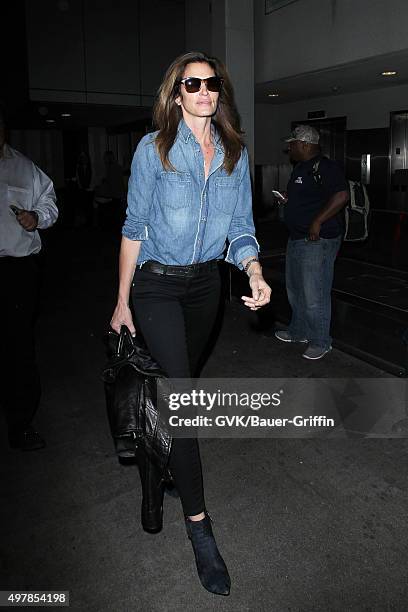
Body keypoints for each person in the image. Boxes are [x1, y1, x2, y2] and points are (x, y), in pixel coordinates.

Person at [110, 51, 271, 596]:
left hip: (207, 288)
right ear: (176, 94)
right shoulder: (153, 151)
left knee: (178, 390)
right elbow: (133, 225)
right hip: (156, 284)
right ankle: (200, 527)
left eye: (211, 83)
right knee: (184, 399)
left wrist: (253, 270)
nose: (203, 90)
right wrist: (122, 300)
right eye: (191, 83)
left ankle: (157, 473)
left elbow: (243, 228)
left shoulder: (233, 153)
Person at [0, 106, 58, 450]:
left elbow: (51, 204)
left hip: (15, 271)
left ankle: (20, 423)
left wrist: (36, 217)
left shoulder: (24, 168)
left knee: (18, 346)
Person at [275, 125, 349, 360]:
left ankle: (320, 341)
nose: (289, 148)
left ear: (305, 145)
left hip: (317, 240)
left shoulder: (326, 167)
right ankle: (299, 332)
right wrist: (287, 201)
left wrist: (317, 221)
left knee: (314, 293)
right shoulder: (299, 168)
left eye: (293, 144)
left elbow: (341, 196)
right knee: (295, 290)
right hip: (296, 238)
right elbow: (305, 198)